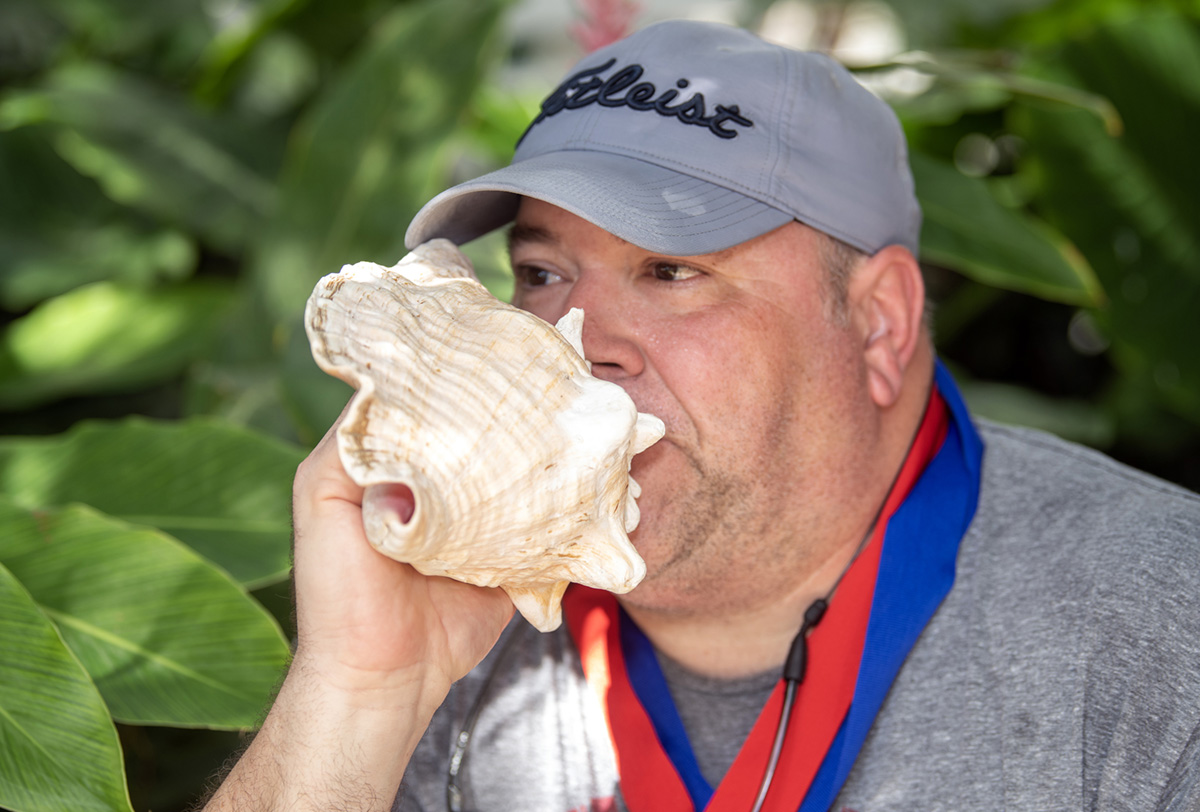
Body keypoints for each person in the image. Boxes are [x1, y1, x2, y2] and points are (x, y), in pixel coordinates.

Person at [201, 20, 1200, 812]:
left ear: (879, 323)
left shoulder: (1158, 629)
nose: (579, 339)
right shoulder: (458, 625)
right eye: (543, 272)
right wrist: (365, 691)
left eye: (672, 270)